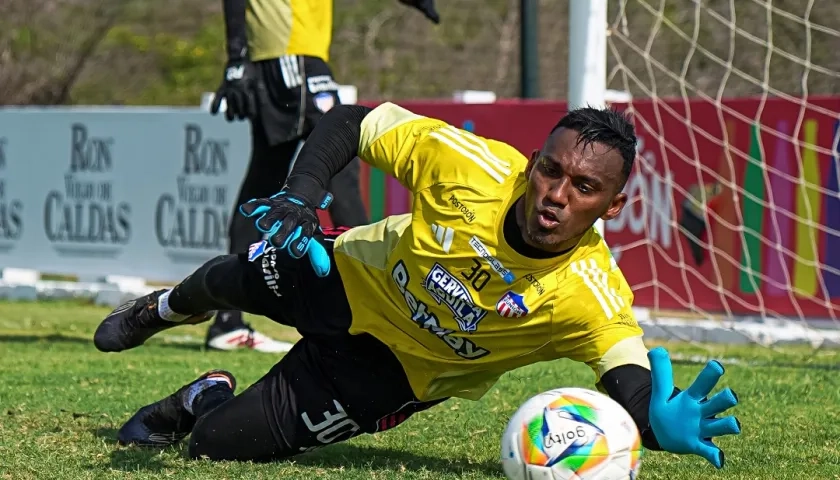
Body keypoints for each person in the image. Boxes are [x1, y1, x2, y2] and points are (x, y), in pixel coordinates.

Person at [94, 102, 741, 467]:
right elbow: (350, 121)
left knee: (216, 447)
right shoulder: (473, 166)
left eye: (583, 188)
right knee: (229, 279)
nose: (555, 194)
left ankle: (201, 398)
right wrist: (299, 197)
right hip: (346, 275)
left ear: (612, 207)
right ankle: (161, 309)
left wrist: (655, 423)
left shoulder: (590, 293)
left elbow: (629, 383)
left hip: (390, 375)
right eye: (549, 170)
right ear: (533, 163)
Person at [201, 0, 441, 352]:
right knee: (339, 163)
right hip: (290, 53)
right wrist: (236, 58)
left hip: (292, 54)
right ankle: (372, 311)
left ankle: (227, 319)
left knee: (265, 182)